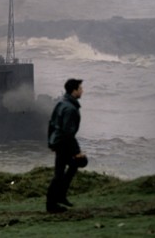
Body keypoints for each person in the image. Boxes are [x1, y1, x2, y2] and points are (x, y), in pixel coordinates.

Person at [46, 78, 88, 213]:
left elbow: (51, 124)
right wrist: (77, 151)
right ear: (74, 91)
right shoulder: (69, 108)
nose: (82, 91)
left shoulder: (62, 103)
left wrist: (50, 142)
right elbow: (68, 133)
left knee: (72, 166)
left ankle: (59, 197)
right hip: (63, 143)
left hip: (58, 141)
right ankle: (52, 204)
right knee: (73, 165)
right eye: (80, 88)